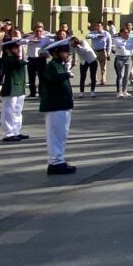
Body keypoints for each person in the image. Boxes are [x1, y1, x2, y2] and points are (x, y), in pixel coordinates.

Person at [40, 38, 76, 175]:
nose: (67, 54)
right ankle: (55, 162)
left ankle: (59, 160)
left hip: (62, 104)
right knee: (55, 135)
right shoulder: (52, 66)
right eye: (65, 52)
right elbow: (52, 79)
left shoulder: (59, 65)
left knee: (61, 134)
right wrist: (66, 74)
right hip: (55, 105)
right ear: (55, 53)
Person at [0, 39, 29, 142]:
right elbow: (20, 63)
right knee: (8, 112)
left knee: (18, 111)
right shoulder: (8, 60)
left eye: (18, 47)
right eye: (15, 48)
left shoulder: (16, 59)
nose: (18, 50)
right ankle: (8, 133)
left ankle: (16, 131)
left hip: (19, 88)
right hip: (10, 89)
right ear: (8, 50)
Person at [24, 23, 49, 97]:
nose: (38, 33)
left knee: (42, 77)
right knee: (31, 77)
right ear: (34, 31)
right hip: (31, 59)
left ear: (42, 31)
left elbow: (49, 47)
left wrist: (47, 54)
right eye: (37, 31)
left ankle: (41, 92)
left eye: (40, 31)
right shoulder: (29, 38)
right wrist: (30, 41)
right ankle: (32, 92)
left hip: (41, 59)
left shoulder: (45, 38)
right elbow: (20, 42)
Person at [110, 24, 133, 98]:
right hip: (120, 58)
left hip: (128, 58)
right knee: (120, 75)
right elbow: (120, 45)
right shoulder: (117, 39)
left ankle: (125, 91)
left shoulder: (131, 39)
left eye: (127, 32)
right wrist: (127, 41)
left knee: (127, 75)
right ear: (121, 33)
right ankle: (119, 91)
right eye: (125, 32)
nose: (126, 33)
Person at [87, 22, 111, 89]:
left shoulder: (106, 34)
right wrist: (97, 35)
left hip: (102, 51)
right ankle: (94, 79)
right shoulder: (93, 33)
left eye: (99, 26)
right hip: (94, 51)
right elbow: (87, 36)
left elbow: (109, 44)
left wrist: (108, 52)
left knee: (103, 66)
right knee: (93, 66)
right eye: (96, 26)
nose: (97, 27)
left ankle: (103, 79)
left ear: (102, 27)